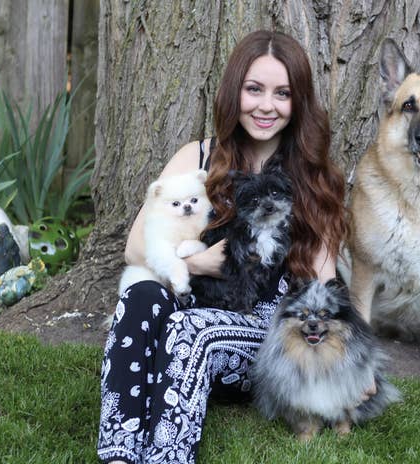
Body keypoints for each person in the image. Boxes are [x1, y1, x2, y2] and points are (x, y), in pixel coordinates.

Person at [97, 30, 348, 464]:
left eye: (282, 93)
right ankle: (119, 453)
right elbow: (136, 248)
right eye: (254, 89)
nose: (266, 105)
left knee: (190, 331)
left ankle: (168, 458)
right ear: (235, 92)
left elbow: (325, 282)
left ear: (298, 101)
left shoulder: (311, 177)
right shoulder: (196, 157)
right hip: (194, 301)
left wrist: (348, 360)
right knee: (140, 295)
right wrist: (201, 263)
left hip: (260, 330)